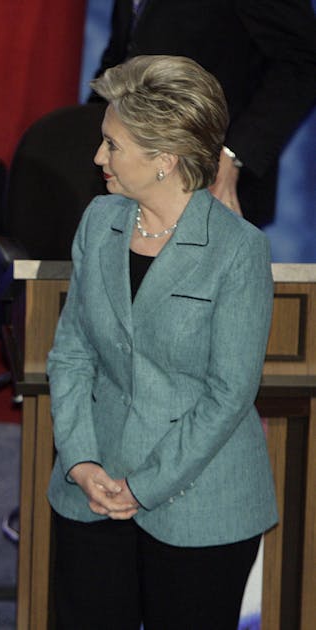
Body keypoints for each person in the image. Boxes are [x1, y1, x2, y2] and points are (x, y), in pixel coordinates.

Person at [47, 55, 277, 629]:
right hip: (91, 491)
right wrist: (81, 461)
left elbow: (228, 395)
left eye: (113, 145)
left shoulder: (237, 251)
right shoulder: (100, 222)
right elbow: (72, 352)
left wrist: (143, 486)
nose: (99, 157)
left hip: (200, 504)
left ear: (165, 159)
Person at [89, 0, 316, 228]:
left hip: (207, 177)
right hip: (122, 179)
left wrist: (233, 155)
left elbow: (302, 63)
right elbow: (125, 53)